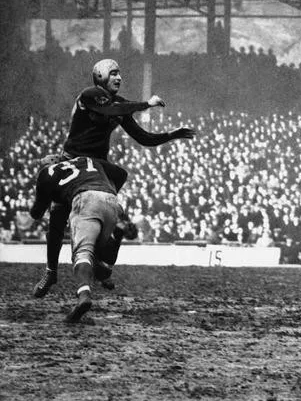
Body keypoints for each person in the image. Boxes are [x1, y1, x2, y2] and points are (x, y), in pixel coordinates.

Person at [33, 58, 197, 298]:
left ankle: (100, 257)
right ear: (100, 76)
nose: (119, 78)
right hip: (74, 160)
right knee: (57, 218)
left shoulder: (120, 105)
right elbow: (109, 110)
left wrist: (172, 135)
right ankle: (51, 272)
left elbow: (143, 138)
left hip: (98, 166)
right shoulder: (90, 95)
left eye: (119, 74)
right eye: (113, 74)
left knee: (118, 178)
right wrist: (145, 104)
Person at [30, 155, 130, 323]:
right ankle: (116, 235)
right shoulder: (87, 160)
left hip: (84, 199)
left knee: (82, 253)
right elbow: (121, 173)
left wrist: (50, 197)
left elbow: (36, 213)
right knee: (103, 256)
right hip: (111, 199)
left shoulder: (47, 172)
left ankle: (83, 295)